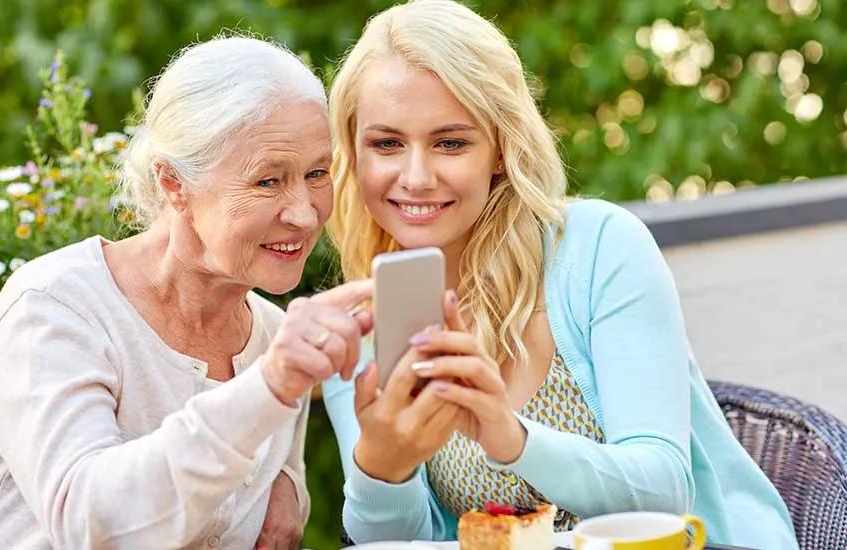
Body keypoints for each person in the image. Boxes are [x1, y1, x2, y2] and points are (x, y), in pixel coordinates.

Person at [321, 1, 798, 549]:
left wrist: (512, 436)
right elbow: (401, 542)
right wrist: (383, 466)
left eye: (450, 142)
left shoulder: (598, 248)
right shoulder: (358, 326)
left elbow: (665, 491)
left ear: (500, 147)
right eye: (386, 144)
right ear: (353, 154)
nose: (417, 176)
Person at [0, 35, 373, 550]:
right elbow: (92, 522)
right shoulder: (54, 308)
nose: (304, 212)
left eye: (317, 173)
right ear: (174, 184)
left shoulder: (270, 335)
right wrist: (269, 387)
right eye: (268, 181)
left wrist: (288, 479)